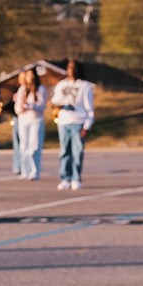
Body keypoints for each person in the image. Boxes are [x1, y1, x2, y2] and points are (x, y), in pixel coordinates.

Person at [50, 59, 94, 190]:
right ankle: (65, 178)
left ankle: (76, 177)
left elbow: (89, 108)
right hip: (64, 122)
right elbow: (54, 100)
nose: (70, 70)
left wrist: (87, 125)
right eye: (69, 67)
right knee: (65, 151)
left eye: (73, 67)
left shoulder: (85, 86)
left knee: (77, 152)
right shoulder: (61, 85)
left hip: (78, 122)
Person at [13, 67, 47, 181]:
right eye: (27, 75)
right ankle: (25, 171)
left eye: (31, 75)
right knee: (23, 147)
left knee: (34, 147)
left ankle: (35, 171)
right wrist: (21, 108)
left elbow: (42, 105)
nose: (29, 78)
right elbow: (17, 107)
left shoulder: (40, 89)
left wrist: (30, 106)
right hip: (23, 120)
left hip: (35, 120)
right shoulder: (22, 89)